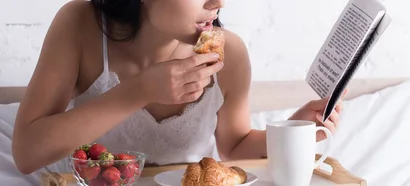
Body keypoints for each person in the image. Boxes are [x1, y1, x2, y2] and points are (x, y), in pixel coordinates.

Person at [11, 0, 345, 175]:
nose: (220, 2)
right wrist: (138, 91)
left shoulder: (228, 51)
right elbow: (26, 155)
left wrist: (296, 130)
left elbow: (235, 145)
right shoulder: (80, 25)